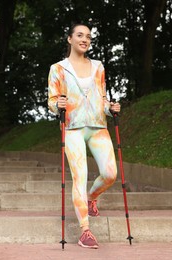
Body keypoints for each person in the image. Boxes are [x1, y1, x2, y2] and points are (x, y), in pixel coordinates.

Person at [47, 23, 121, 249]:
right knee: (80, 176)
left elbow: (102, 97)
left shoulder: (98, 67)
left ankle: (91, 198)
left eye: (88, 36)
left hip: (98, 126)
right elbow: (51, 102)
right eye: (80, 35)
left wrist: (111, 108)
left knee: (110, 173)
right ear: (69, 39)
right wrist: (56, 105)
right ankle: (85, 231)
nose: (85, 40)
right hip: (73, 129)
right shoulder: (58, 68)